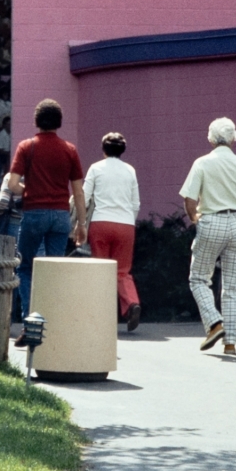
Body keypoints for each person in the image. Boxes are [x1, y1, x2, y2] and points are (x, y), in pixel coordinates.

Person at [179, 117, 236, 357]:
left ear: (210, 138)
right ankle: (230, 342)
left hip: (211, 221)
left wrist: (196, 219)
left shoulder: (202, 163)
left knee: (198, 279)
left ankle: (214, 323)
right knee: (232, 286)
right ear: (234, 139)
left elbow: (189, 200)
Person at [7, 98, 86, 343]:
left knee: (26, 267)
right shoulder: (69, 150)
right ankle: (52, 327)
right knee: (54, 271)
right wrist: (81, 224)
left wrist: (28, 190)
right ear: (59, 121)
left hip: (34, 213)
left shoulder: (26, 146)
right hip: (61, 215)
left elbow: (11, 184)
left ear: (37, 120)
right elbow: (79, 191)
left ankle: (31, 325)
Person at [84, 132, 142, 331]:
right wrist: (128, 221)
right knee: (122, 271)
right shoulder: (130, 170)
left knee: (100, 270)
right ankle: (132, 303)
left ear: (103, 150)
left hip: (100, 223)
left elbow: (84, 198)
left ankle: (101, 317)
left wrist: (80, 223)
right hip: (125, 225)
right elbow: (136, 203)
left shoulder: (95, 168)